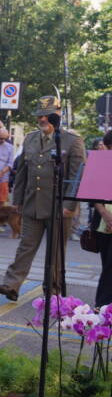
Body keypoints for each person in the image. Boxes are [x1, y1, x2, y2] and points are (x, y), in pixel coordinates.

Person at [0, 96, 86, 302]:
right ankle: (11, 284)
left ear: (58, 116)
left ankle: (53, 290)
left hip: (58, 207)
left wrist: (70, 205)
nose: (42, 119)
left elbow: (77, 177)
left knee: (55, 253)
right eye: (40, 116)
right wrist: (16, 200)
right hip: (32, 204)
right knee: (25, 246)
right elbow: (22, 173)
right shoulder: (30, 139)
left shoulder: (72, 141)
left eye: (47, 116)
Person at [92, 130, 112, 307]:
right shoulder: (101, 163)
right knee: (108, 266)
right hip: (103, 223)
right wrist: (105, 215)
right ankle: (103, 305)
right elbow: (93, 194)